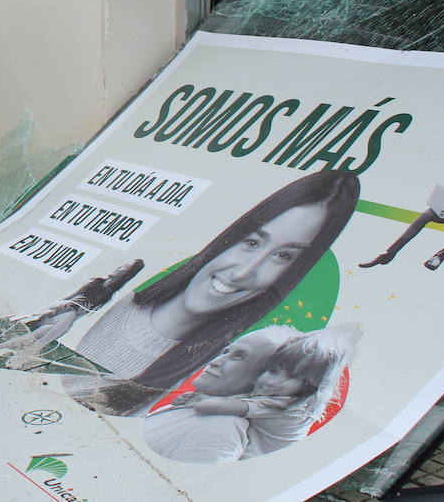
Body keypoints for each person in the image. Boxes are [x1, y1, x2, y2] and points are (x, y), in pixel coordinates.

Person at [62, 169, 360, 416]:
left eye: (283, 256)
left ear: (295, 272)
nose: (244, 271)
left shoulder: (217, 376)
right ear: (230, 236)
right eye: (252, 242)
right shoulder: (114, 288)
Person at [149, 325, 358, 462]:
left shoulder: (280, 406)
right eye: (273, 370)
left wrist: (202, 401)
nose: (271, 381)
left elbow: (210, 408)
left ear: (309, 387)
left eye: (290, 377)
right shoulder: (293, 401)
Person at [142, 325, 298, 463]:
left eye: (239, 356)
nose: (215, 361)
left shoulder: (219, 429)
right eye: (226, 351)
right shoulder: (196, 408)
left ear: (263, 378)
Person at [0, 259, 144, 367]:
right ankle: (24, 353)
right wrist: (64, 303)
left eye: (123, 268)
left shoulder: (108, 295)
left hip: (58, 324)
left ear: (126, 275)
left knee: (35, 336)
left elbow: (82, 316)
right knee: (57, 324)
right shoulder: (94, 283)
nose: (117, 268)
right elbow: (59, 302)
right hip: (57, 315)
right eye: (121, 265)